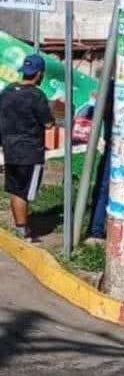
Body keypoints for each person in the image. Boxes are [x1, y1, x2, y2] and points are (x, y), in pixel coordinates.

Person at [0, 54, 55, 241]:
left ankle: (20, 227)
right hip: (30, 152)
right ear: (39, 74)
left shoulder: (7, 92)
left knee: (16, 190)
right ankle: (25, 232)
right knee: (25, 192)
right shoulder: (37, 96)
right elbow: (48, 124)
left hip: (10, 149)